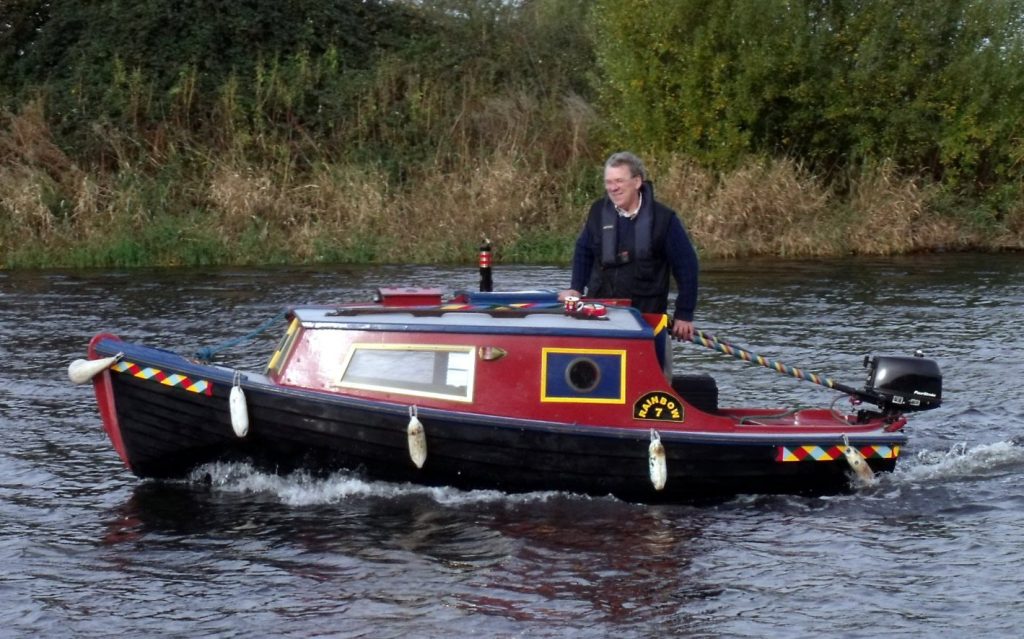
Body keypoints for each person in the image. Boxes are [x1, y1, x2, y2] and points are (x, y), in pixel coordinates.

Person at [560, 152, 698, 341]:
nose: (613, 188)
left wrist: (684, 314)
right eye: (608, 182)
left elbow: (687, 267)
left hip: (646, 318)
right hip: (600, 315)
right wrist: (575, 288)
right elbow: (583, 250)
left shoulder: (664, 219)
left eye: (619, 181)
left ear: (637, 181)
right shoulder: (598, 211)